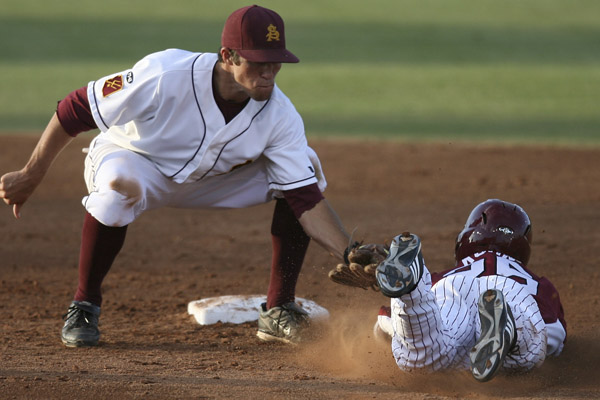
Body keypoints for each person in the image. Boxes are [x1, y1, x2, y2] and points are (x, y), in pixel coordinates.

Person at [0, 5, 358, 347]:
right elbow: (76, 107)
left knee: (305, 166)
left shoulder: (280, 114)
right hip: (136, 161)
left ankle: (279, 308)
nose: (269, 73)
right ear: (228, 56)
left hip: (210, 182)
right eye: (259, 62)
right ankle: (84, 305)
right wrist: (32, 173)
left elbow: (305, 199)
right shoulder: (164, 73)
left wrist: (349, 253)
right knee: (118, 186)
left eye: (276, 63)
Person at [373, 199, 566, 382]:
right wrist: (536, 344)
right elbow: (555, 332)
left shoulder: (443, 276)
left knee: (423, 355)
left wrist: (392, 329)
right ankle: (510, 328)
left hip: (454, 287)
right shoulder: (538, 283)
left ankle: (412, 289)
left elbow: (386, 321)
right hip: (509, 292)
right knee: (525, 350)